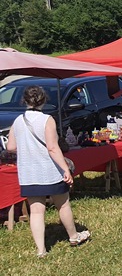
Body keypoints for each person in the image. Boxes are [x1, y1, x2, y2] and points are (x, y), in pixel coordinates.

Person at [6, 86, 90, 257]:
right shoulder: (47, 120)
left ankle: (41, 250)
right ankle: (73, 236)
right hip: (49, 170)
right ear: (43, 100)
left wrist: (27, 149)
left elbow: (11, 147)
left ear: (25, 101)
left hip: (29, 172)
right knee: (63, 204)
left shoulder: (18, 121)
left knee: (36, 211)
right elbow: (52, 147)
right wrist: (65, 168)